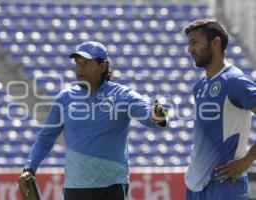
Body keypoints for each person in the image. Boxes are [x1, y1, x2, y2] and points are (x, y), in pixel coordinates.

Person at [18, 41, 168, 200]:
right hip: (75, 189)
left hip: (111, 188)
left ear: (103, 66)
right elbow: (45, 138)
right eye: (78, 63)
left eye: (86, 63)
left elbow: (149, 116)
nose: (80, 68)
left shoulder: (122, 95)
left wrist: (156, 115)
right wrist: (30, 168)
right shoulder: (64, 98)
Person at [184, 18, 256, 200]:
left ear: (215, 43)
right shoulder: (199, 87)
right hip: (195, 187)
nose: (190, 49)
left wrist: (246, 161)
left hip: (225, 186)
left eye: (194, 42)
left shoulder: (234, 81)